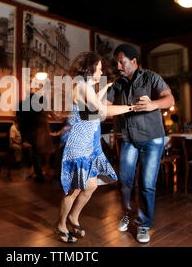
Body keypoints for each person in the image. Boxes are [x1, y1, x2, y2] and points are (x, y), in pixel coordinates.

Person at [56, 52, 133, 243]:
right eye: (99, 68)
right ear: (90, 69)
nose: (101, 71)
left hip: (90, 145)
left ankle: (73, 217)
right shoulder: (82, 86)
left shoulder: (86, 87)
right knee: (74, 189)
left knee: (90, 186)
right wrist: (131, 108)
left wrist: (105, 87)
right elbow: (100, 111)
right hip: (79, 145)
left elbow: (93, 105)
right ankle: (61, 224)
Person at [105, 44, 175, 243]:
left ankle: (144, 224)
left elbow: (170, 99)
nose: (118, 65)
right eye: (117, 62)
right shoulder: (117, 85)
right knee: (125, 181)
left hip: (153, 139)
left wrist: (153, 104)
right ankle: (127, 213)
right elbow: (105, 109)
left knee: (146, 184)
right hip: (129, 139)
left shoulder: (151, 77)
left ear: (133, 61)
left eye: (122, 61)